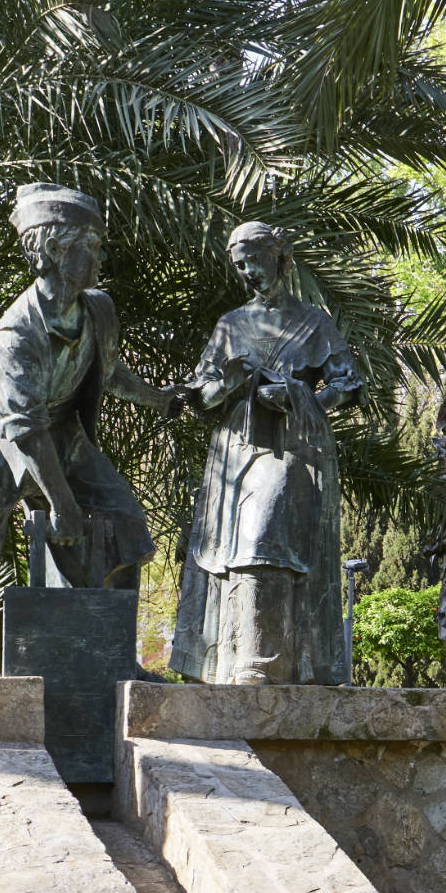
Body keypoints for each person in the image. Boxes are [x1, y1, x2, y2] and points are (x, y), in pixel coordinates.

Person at [0, 184, 178, 675]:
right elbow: (23, 429)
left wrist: (162, 398)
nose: (99, 254)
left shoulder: (99, 309)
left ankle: (120, 657)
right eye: (89, 244)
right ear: (51, 250)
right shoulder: (13, 334)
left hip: (63, 434)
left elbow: (111, 373)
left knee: (125, 519)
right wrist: (62, 505)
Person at [171, 222, 360, 685]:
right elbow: (203, 394)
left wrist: (298, 394)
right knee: (230, 550)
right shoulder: (230, 324)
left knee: (265, 532)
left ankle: (265, 663)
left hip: (291, 444)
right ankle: (230, 660)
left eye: (253, 261)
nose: (247, 273)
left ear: (279, 256)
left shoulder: (315, 321)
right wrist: (231, 382)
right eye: (239, 266)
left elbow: (348, 384)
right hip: (236, 449)